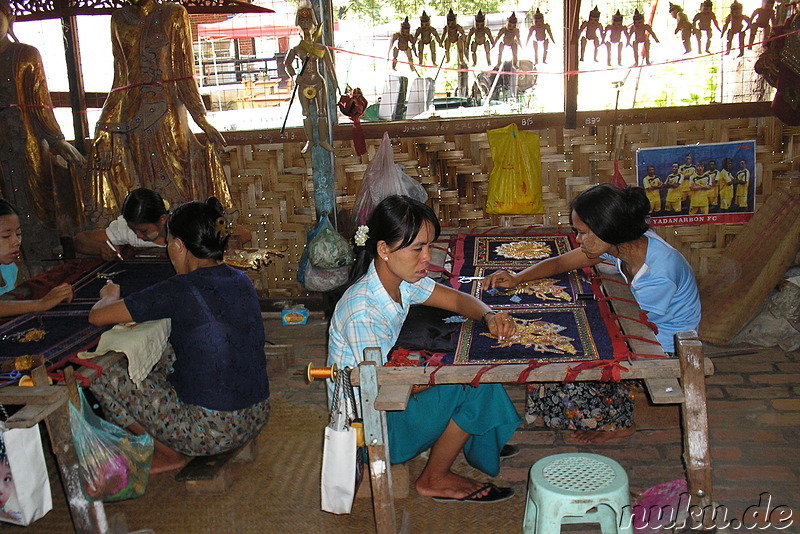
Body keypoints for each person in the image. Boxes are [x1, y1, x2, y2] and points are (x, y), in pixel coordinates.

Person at [328, 195, 520, 503]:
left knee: (469, 373)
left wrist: (488, 315)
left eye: (429, 246)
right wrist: (437, 376)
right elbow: (376, 391)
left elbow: (456, 299)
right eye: (418, 248)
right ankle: (435, 477)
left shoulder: (398, 281)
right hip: (373, 429)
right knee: (476, 382)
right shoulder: (363, 309)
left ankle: (477, 436)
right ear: (383, 250)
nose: (426, 258)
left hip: (382, 403)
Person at [484, 184, 701, 443]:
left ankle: (618, 421)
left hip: (660, 347)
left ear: (607, 229)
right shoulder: (626, 244)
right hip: (637, 325)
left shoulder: (659, 272)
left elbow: (635, 331)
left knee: (563, 362)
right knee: (554, 352)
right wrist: (518, 278)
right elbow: (563, 261)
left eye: (583, 233)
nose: (578, 240)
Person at [88, 198, 270, 474]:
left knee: (101, 372)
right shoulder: (239, 279)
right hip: (256, 414)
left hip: (212, 431)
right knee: (168, 349)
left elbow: (97, 317)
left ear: (177, 246)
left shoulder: (182, 288)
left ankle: (169, 454)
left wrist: (108, 295)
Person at [89, 0, 232, 220]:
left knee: (179, 184)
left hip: (168, 117)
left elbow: (184, 73)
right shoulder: (119, 20)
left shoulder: (173, 13)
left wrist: (201, 118)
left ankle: (185, 236)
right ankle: (153, 241)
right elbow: (120, 80)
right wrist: (103, 129)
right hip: (133, 119)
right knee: (146, 191)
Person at [0, 0, 86, 266]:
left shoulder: (25, 54)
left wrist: (56, 139)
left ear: (8, 19)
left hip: (25, 142)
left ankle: (44, 265)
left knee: (34, 207)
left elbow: (39, 102)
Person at [0, 199, 73, 317]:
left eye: (18, 234)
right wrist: (40, 304)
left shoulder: (9, 269)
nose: (16, 242)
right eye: (6, 236)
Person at [284, 1, 339, 153]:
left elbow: (329, 67)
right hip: (304, 84)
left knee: (322, 112)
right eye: (302, 21)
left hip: (318, 82)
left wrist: (336, 85)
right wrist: (295, 76)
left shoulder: (320, 48)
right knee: (306, 113)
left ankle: (322, 141)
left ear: (313, 23)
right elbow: (287, 64)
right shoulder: (297, 49)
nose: (305, 24)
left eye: (308, 21)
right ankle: (310, 140)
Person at [73, 188, 169, 261]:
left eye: (143, 231)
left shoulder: (181, 229)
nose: (138, 235)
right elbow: (79, 240)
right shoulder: (126, 229)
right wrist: (100, 249)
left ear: (162, 219)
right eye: (133, 230)